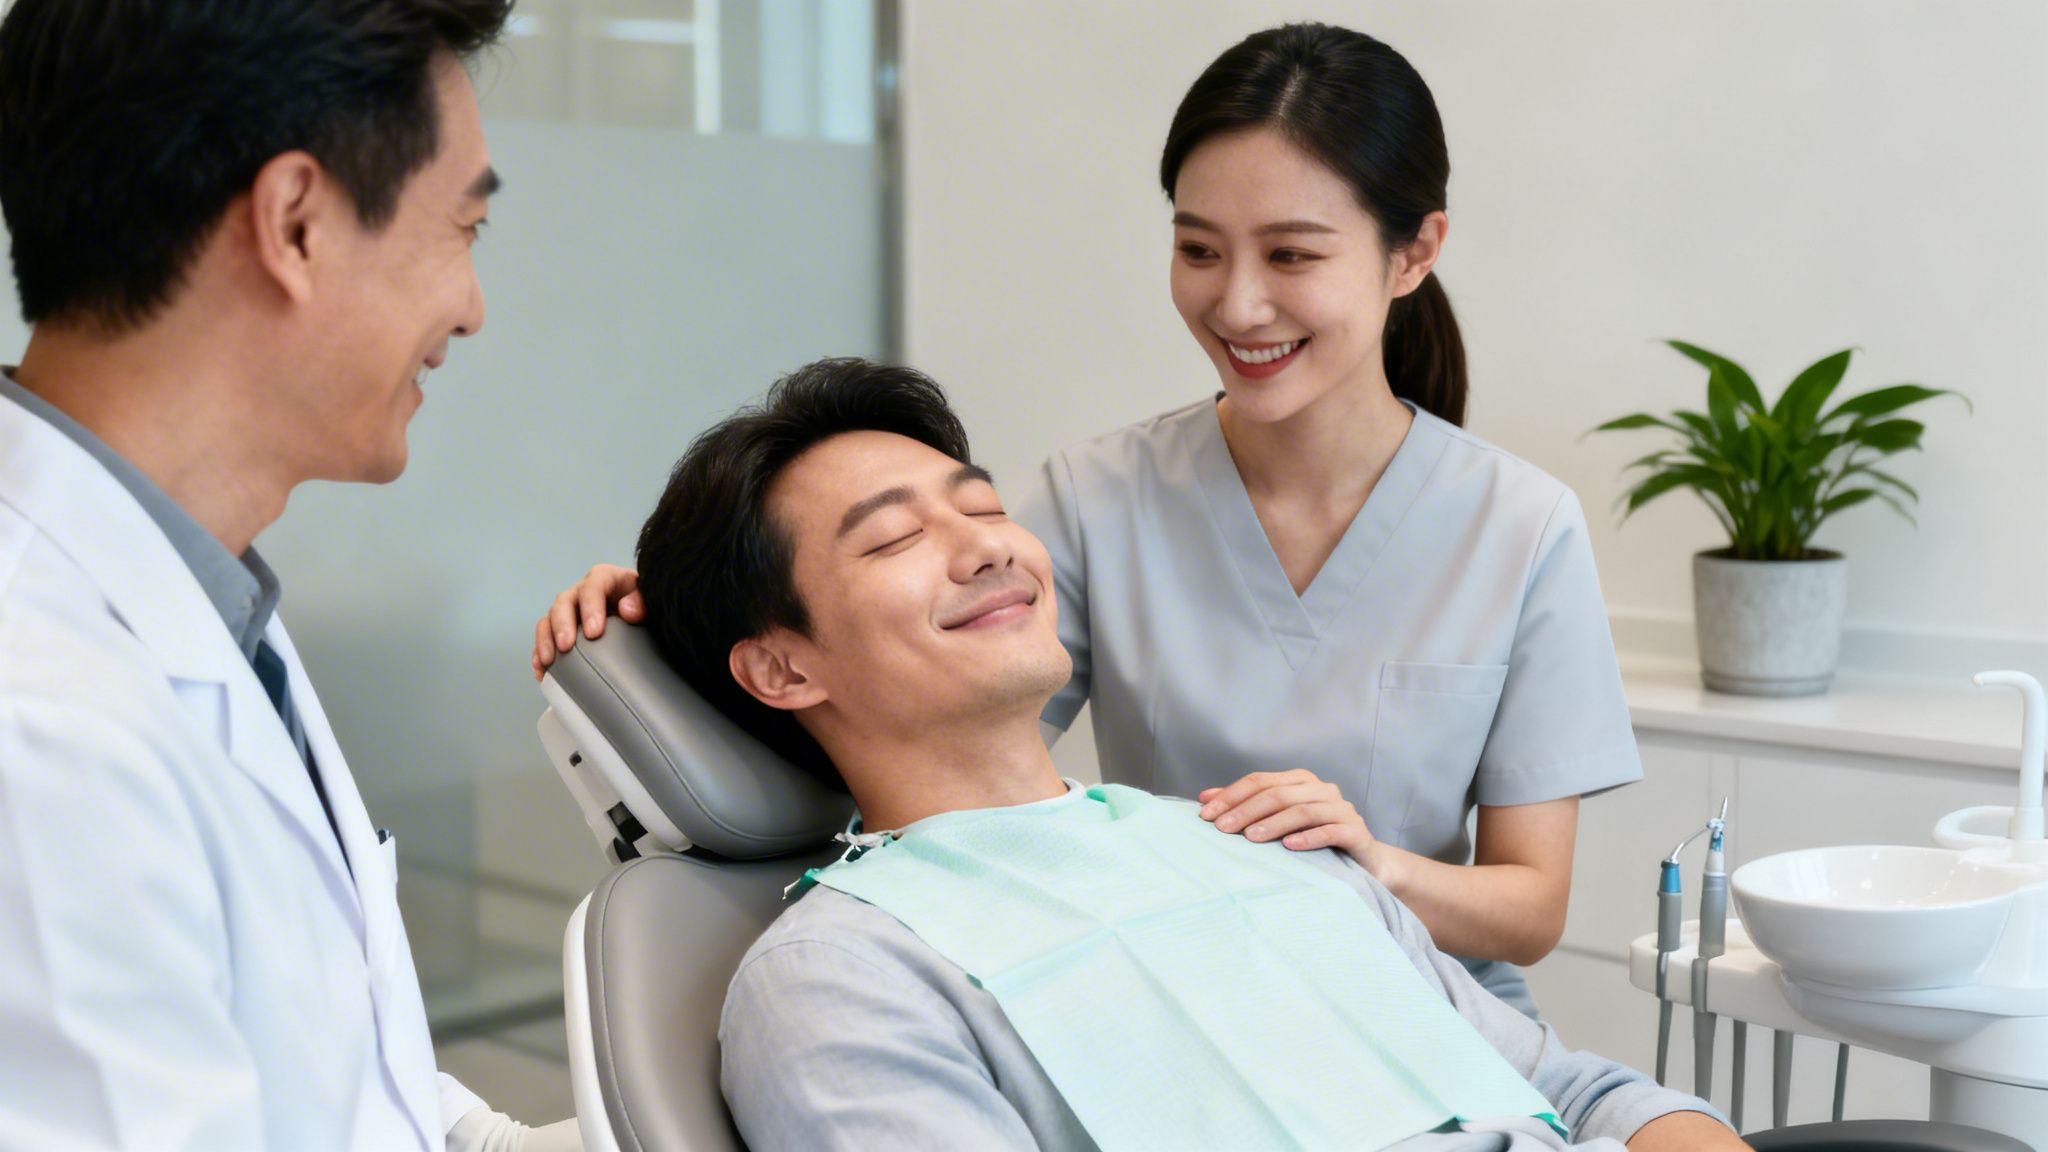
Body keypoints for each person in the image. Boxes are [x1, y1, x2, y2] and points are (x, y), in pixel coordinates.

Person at [533, 22, 1637, 1018]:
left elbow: (1528, 906)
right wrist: (672, 611)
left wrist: (1364, 864)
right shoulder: (1100, 495)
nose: (1236, 304)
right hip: (1176, 994)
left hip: (1437, 1017)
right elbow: (906, 716)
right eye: (1197, 249)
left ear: (1412, 251)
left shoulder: (1519, 526)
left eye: (1290, 255)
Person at [623, 357, 1736, 1150]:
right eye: (897, 538)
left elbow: (1582, 1093)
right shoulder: (842, 979)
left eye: (984, 507)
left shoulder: (1257, 840)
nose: (988, 550)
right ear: (778, 670)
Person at [0, 2, 575, 1148]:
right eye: (460, 229)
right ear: (296, 223)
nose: (470, 308)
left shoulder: (193, 598)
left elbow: (319, 1058)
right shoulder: (42, 724)